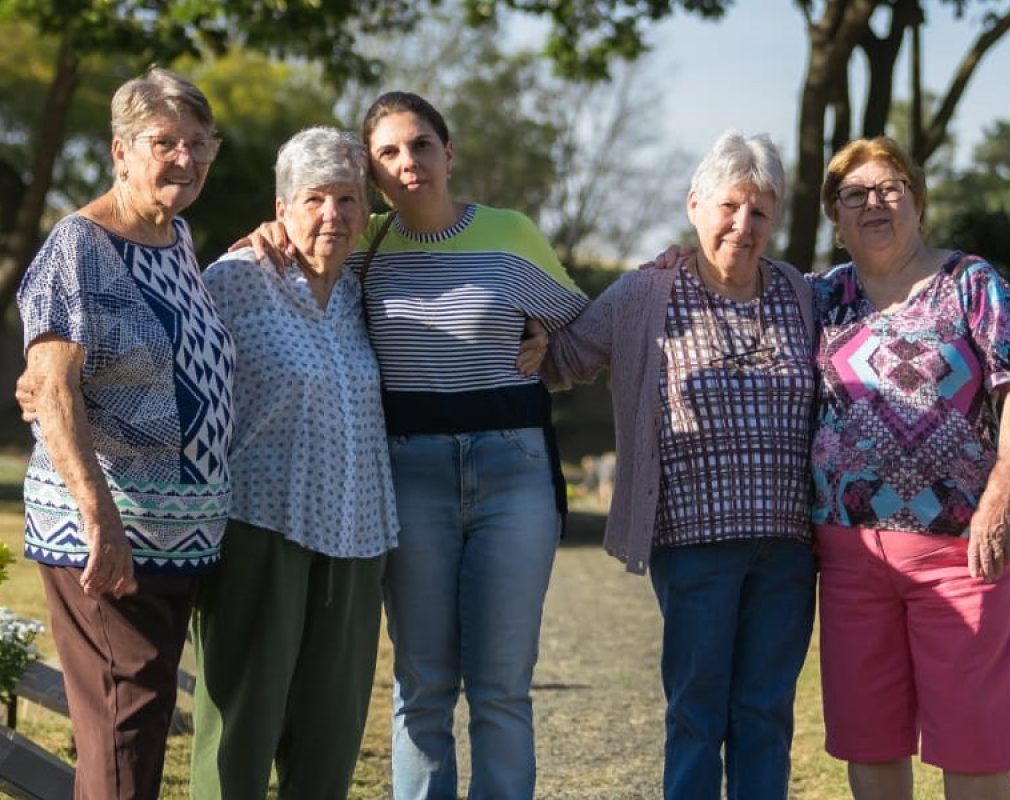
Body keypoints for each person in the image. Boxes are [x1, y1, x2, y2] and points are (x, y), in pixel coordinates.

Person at [245, 91, 588, 798]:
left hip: (513, 470)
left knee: (500, 685)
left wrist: (548, 339)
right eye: (389, 154)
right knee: (422, 684)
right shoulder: (362, 242)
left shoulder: (510, 233)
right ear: (372, 175)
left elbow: (585, 327)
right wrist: (267, 232)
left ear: (449, 153)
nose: (409, 163)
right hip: (409, 474)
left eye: (422, 145)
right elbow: (301, 234)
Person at [539, 131, 818, 800]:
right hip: (693, 543)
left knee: (765, 714)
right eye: (728, 207)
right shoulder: (644, 294)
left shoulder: (805, 296)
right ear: (695, 205)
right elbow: (561, 356)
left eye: (760, 211)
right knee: (696, 712)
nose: (742, 226)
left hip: (787, 546)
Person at [14, 67, 233, 800]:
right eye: (164, 142)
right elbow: (50, 389)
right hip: (110, 539)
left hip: (178, 539)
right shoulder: (78, 245)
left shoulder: (177, 239)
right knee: (123, 730)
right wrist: (99, 518)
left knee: (134, 728)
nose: (185, 159)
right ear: (120, 150)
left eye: (200, 144)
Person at [188, 127, 399, 799]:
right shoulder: (234, 280)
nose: (332, 215)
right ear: (282, 210)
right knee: (239, 735)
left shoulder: (368, 292)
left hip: (358, 538)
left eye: (347, 199)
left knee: (330, 741)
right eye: (314, 200)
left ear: (368, 214)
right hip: (260, 529)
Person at [811, 136, 1010, 800]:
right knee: (868, 738)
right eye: (855, 194)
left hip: (963, 553)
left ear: (918, 201)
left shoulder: (971, 283)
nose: (873, 203)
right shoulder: (819, 298)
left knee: (975, 739)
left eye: (889, 188)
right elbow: (731, 293)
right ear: (835, 218)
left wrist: (1002, 497)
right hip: (848, 558)